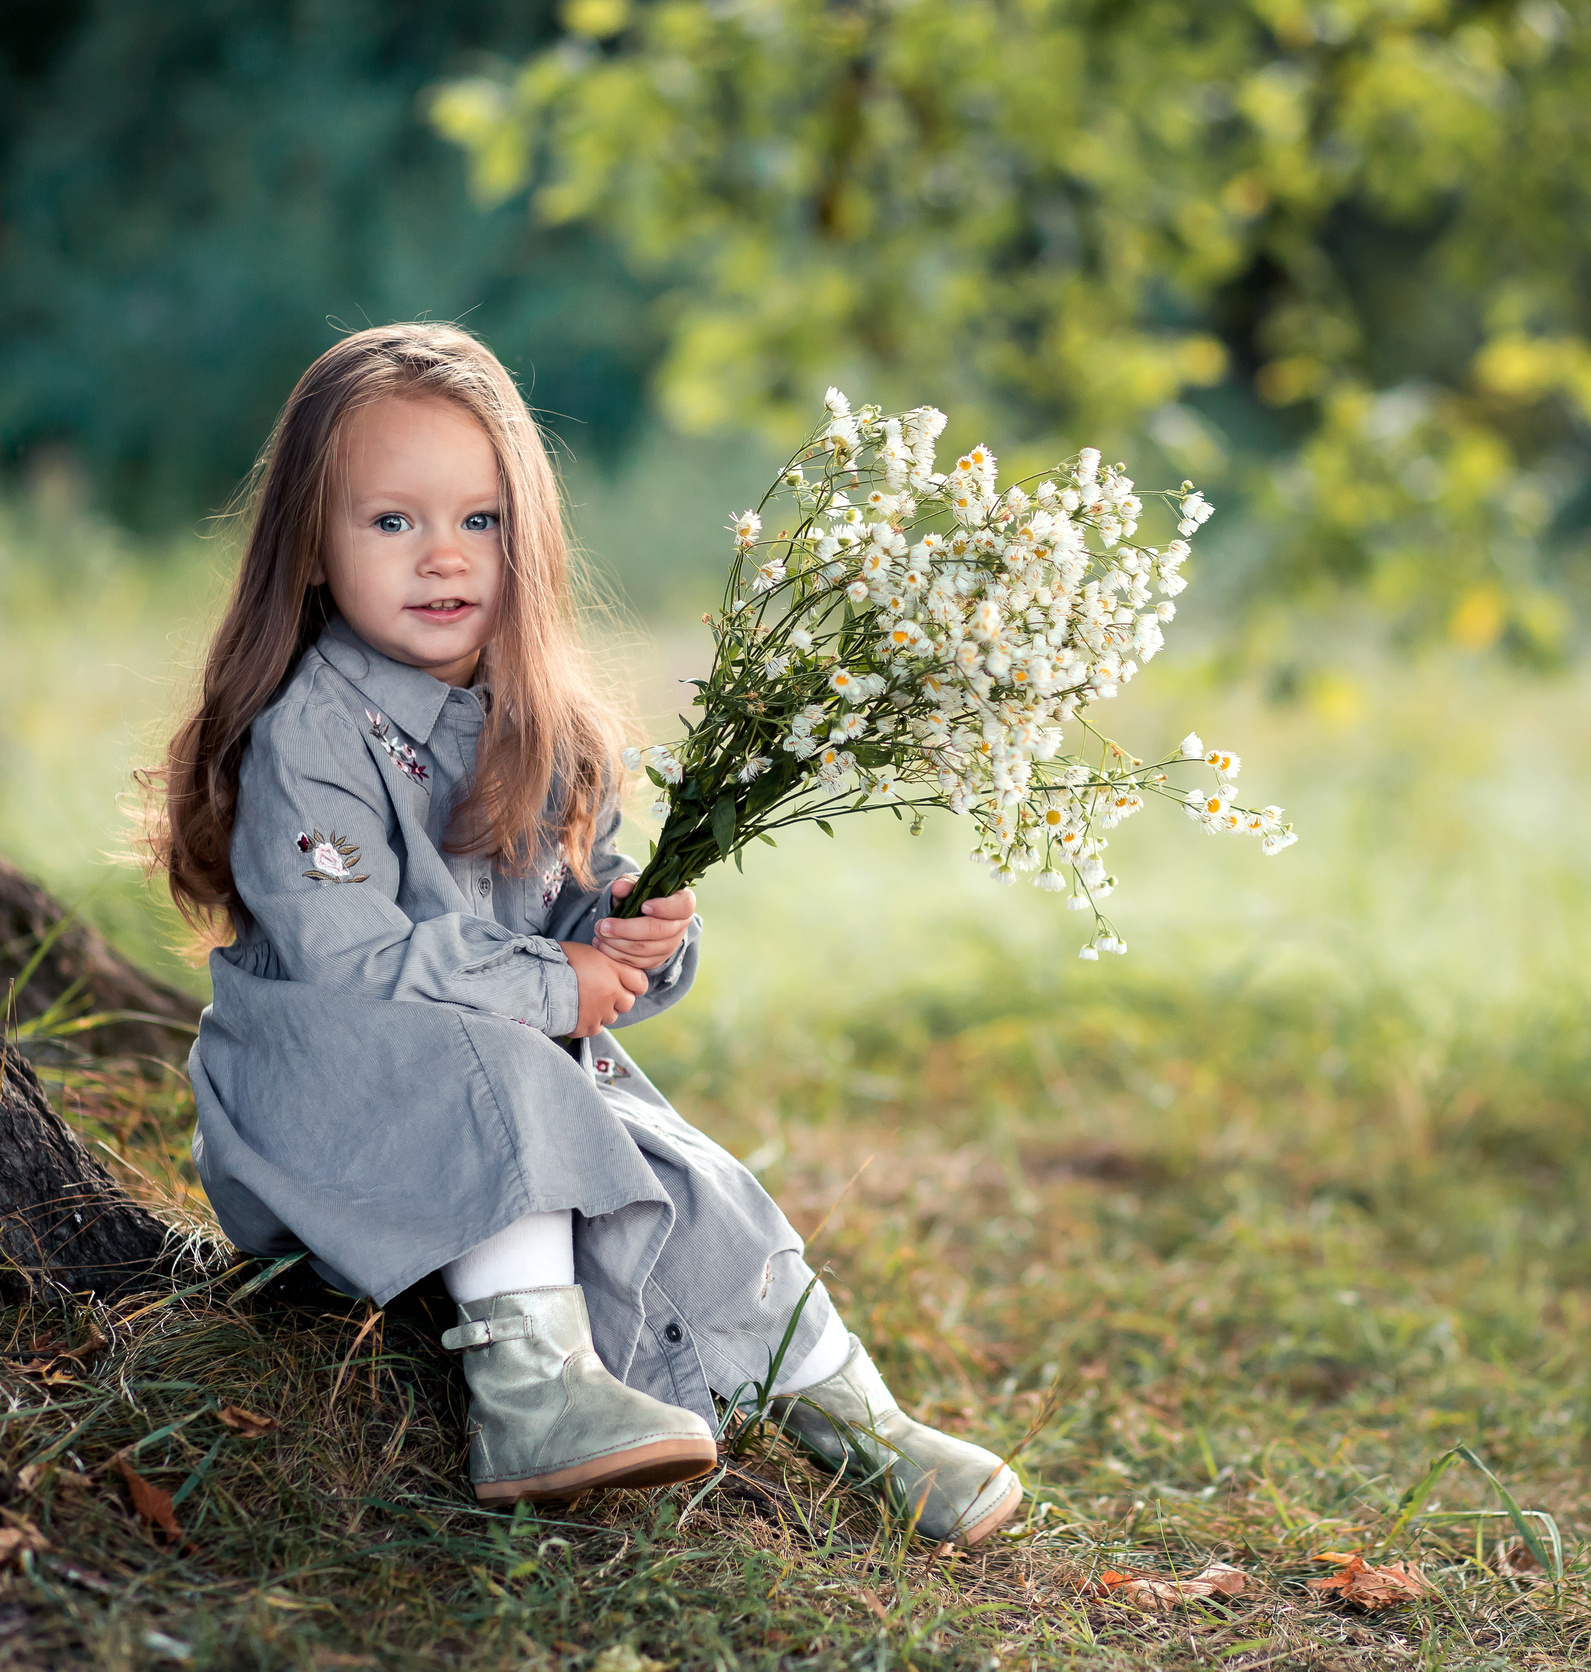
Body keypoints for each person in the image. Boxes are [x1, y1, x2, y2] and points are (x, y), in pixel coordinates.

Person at [146, 322, 1019, 1544]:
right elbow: (349, 959)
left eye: (480, 522)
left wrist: (630, 935)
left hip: (502, 1080)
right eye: (392, 523)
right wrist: (554, 985)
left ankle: (849, 1415)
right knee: (515, 1078)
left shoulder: (543, 731)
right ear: (310, 546)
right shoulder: (313, 736)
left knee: (689, 1177)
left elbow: (577, 932)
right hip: (319, 1101)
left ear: (528, 539)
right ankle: (532, 1392)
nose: (442, 558)